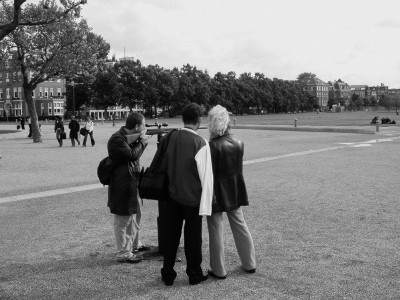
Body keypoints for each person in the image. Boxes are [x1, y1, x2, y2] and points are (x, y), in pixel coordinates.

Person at [158, 103, 214, 286]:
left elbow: (163, 165)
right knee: (193, 238)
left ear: (183, 118)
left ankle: (167, 272)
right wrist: (206, 206)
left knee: (171, 236)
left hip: (171, 195)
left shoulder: (170, 137)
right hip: (192, 199)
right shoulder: (200, 143)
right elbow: (206, 178)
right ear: (199, 120)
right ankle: (194, 273)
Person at [206, 105, 256, 280]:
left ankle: (219, 270)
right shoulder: (238, 143)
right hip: (234, 189)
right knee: (240, 225)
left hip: (216, 192)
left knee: (215, 229)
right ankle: (249, 263)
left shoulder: (211, 146)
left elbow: (209, 174)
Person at [107, 112, 149, 263]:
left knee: (136, 215)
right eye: (144, 124)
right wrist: (143, 142)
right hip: (122, 185)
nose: (145, 127)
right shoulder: (117, 139)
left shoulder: (127, 138)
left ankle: (135, 245)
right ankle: (123, 253)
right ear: (137, 126)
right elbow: (132, 155)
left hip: (132, 183)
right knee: (123, 219)